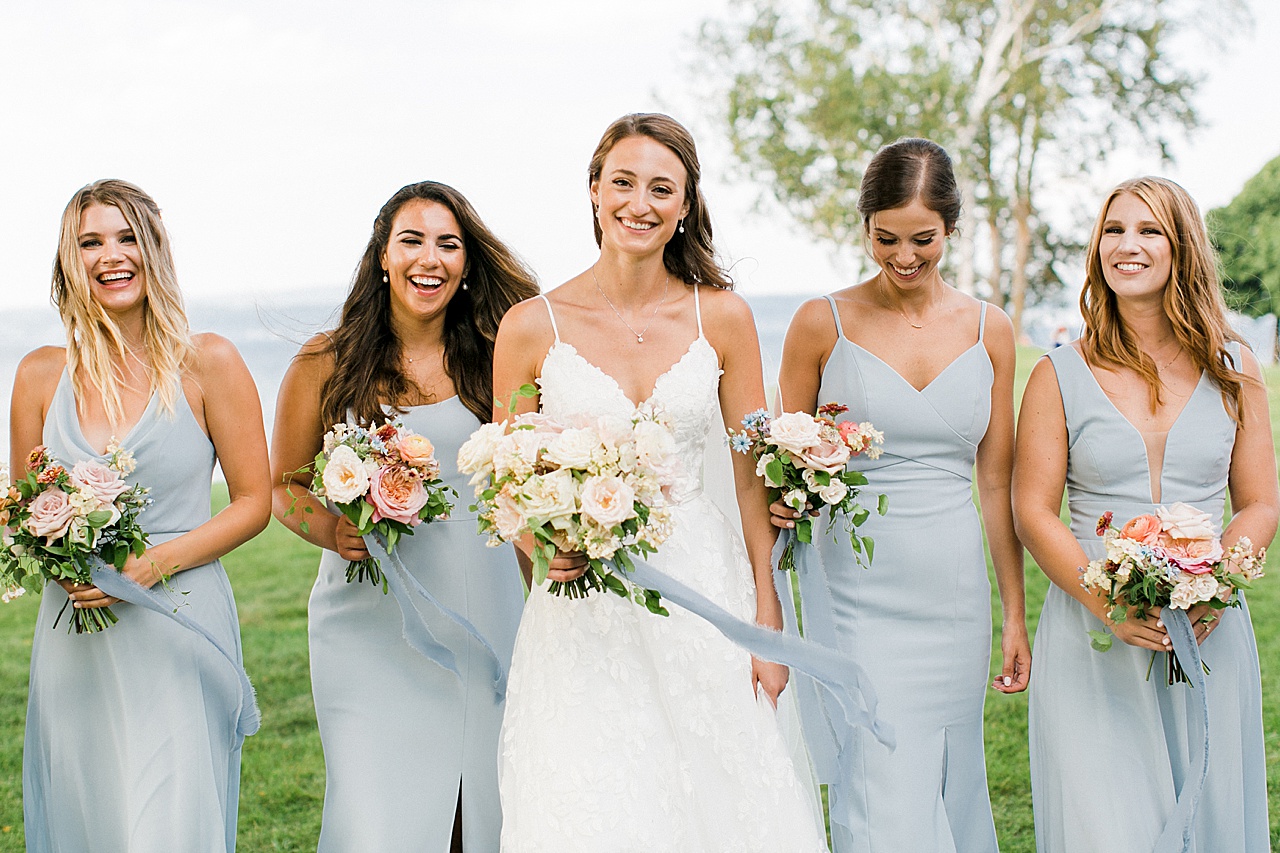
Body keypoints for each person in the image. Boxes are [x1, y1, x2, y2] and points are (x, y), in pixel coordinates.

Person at [492, 113, 828, 851]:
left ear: (684, 206)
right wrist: (541, 545)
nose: (638, 203)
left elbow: (750, 479)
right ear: (593, 191)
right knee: (596, 797)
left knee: (724, 794)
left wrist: (765, 621)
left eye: (660, 188)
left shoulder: (725, 317)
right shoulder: (530, 326)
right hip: (584, 605)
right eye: (622, 182)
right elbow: (505, 480)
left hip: (705, 587)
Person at [771, 137, 1030, 852]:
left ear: (952, 227)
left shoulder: (991, 330)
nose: (905, 256)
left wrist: (1014, 611)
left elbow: (998, 480)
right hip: (853, 590)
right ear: (865, 226)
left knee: (947, 775)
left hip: (952, 593)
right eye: (887, 238)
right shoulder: (820, 323)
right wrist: (785, 502)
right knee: (876, 777)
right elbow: (781, 466)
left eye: (924, 239)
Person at [271, 181, 537, 852]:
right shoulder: (323, 362)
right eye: (412, 240)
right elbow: (284, 485)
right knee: (376, 817)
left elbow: (526, 484)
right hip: (366, 627)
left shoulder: (495, 358)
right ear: (382, 257)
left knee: (475, 812)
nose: (431, 258)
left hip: (482, 610)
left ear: (468, 263)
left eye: (449, 244)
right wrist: (332, 527)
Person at [1014, 176, 1275, 851]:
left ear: (1181, 246)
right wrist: (1106, 603)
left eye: (1148, 230)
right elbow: (1032, 509)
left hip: (1208, 635)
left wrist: (1217, 582)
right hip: (1094, 637)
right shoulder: (1059, 373)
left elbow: (1260, 502)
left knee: (1212, 821)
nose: (1126, 245)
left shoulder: (1234, 367)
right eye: (1113, 230)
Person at [14, 179, 270, 852]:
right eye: (90, 240)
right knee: (87, 815)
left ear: (154, 249)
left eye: (127, 236)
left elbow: (254, 501)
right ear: (70, 260)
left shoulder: (208, 362)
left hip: (176, 624)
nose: (110, 254)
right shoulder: (39, 376)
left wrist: (154, 563)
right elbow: (23, 509)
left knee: (171, 823)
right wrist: (58, 557)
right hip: (76, 637)